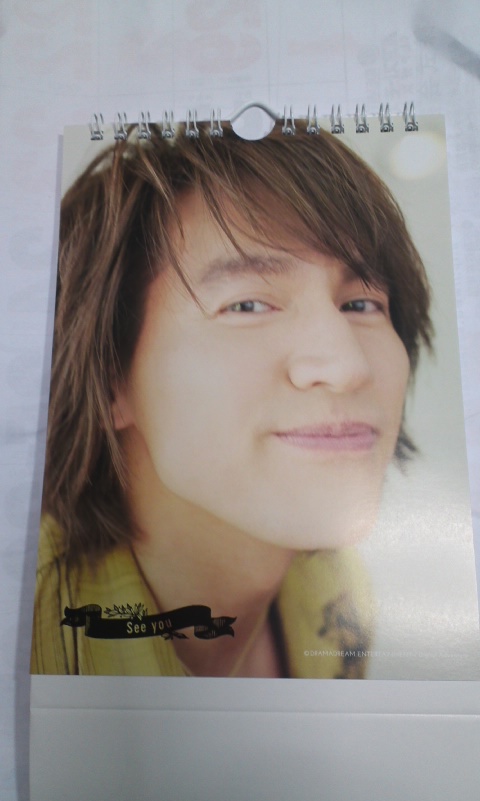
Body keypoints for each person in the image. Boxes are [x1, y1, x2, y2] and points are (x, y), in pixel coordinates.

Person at [30, 120, 432, 678]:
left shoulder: (337, 593)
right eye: (247, 306)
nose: (347, 366)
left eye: (362, 304)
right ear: (110, 375)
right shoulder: (27, 635)